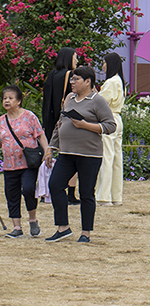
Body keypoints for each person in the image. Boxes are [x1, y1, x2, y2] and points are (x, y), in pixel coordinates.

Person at [43, 65, 117, 243]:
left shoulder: (97, 100)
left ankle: (86, 233)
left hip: (90, 155)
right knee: (55, 185)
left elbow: (110, 126)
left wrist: (85, 125)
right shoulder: (70, 98)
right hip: (67, 153)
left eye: (75, 79)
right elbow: (60, 124)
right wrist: (50, 148)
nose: (72, 82)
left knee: (86, 193)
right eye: (72, 79)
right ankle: (63, 228)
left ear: (88, 81)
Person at [1, 85, 48, 238]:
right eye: (5, 98)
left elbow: (40, 135)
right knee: (11, 194)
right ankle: (17, 227)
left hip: (28, 163)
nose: (7, 101)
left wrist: (47, 152)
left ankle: (33, 220)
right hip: (9, 165)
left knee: (28, 189)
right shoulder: (1, 121)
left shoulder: (29, 116)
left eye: (10, 98)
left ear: (19, 100)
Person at [41, 47, 79, 204]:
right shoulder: (70, 76)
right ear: (68, 58)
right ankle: (70, 193)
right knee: (72, 159)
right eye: (75, 57)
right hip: (67, 123)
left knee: (54, 157)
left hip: (52, 122)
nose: (77, 61)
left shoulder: (52, 75)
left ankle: (46, 190)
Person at [95, 53, 125, 206]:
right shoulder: (119, 80)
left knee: (106, 157)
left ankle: (104, 196)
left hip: (108, 118)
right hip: (117, 118)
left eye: (104, 63)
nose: (103, 66)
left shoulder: (111, 82)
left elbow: (101, 101)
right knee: (116, 159)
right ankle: (116, 196)